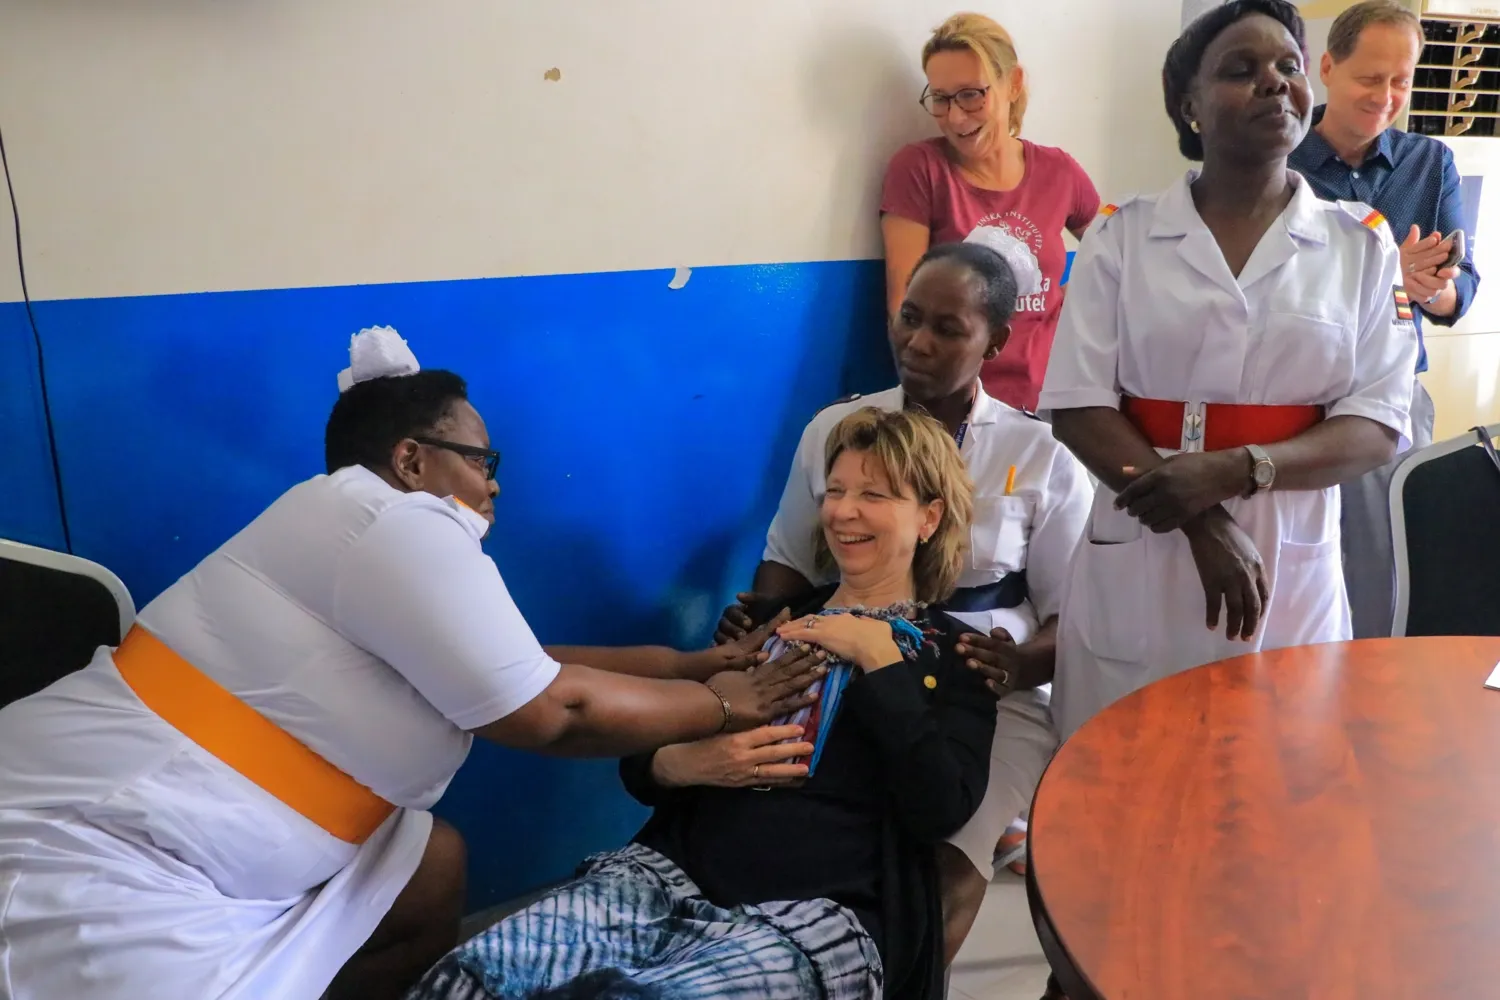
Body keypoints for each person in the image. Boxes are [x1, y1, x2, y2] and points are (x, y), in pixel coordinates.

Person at [0, 328, 826, 1000]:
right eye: (481, 460)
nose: (495, 487)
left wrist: (690, 666)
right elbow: (550, 710)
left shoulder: (353, 529)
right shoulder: (393, 521)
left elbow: (523, 663)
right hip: (105, 850)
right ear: (410, 460)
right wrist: (731, 704)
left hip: (195, 828)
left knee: (429, 866)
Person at [409, 407, 997, 1000]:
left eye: (875, 494)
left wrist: (881, 661)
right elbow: (654, 737)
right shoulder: (768, 626)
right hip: (669, 878)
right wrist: (681, 763)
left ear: (929, 517)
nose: (844, 511)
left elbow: (938, 808)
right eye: (837, 490)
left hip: (817, 914)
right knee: (468, 979)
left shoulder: (955, 661)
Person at [1038, 0, 1418, 743]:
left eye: (1288, 67)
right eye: (1241, 71)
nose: (1275, 84)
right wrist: (1202, 521)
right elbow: (1077, 404)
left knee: (1270, 778)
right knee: (1116, 778)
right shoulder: (1124, 236)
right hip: (1142, 523)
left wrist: (1239, 470)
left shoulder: (1360, 247)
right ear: (1189, 106)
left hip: (1288, 544)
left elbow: (1377, 425)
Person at [712, 231, 1092, 962]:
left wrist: (1015, 669)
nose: (918, 342)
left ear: (996, 340)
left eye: (948, 328)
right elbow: (788, 562)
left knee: (940, 861)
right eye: (909, 318)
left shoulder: (1038, 455)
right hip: (851, 662)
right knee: (800, 832)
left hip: (987, 687)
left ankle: (897, 975)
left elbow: (1070, 617)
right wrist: (758, 624)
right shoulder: (838, 428)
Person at [1288, 0, 1482, 639]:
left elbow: (1463, 291)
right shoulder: (1277, 163)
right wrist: (1381, 270)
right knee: (1295, 586)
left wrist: (1435, 289)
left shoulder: (1430, 163)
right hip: (1295, 402)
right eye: (1370, 78)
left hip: (1395, 397)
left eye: (1401, 81)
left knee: (1386, 581)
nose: (1387, 96)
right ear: (1327, 68)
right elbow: (1264, 293)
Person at [881, 12, 1101, 412]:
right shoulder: (920, 170)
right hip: (955, 409)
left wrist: (1074, 298)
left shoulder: (1059, 171)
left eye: (970, 94)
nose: (955, 116)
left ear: (1013, 84)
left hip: (1050, 404)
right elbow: (903, 312)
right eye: (941, 98)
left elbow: (1119, 249)